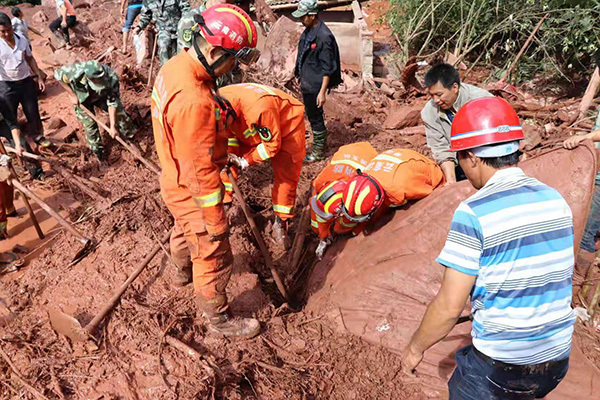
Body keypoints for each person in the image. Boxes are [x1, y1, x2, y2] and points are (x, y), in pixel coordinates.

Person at [402, 97, 575, 399]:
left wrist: (415, 348)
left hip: (503, 368)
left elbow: (448, 308)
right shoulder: (555, 199)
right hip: (557, 359)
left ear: (471, 157)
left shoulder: (474, 212)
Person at [151, 4, 261, 338]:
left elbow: (190, 139)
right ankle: (218, 318)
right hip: (192, 188)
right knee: (213, 252)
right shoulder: (194, 100)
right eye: (231, 60)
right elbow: (200, 174)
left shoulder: (175, 67)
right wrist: (215, 219)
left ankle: (180, 273)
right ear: (213, 51)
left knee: (183, 231)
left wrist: (220, 150)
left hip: (173, 175)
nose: (232, 69)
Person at [311, 146, 444, 258]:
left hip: (423, 170)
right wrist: (327, 233)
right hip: (393, 160)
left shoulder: (399, 189)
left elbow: (435, 192)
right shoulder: (360, 180)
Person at [218, 83, 306, 245]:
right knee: (226, 162)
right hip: (246, 127)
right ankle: (224, 204)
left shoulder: (260, 108)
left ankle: (281, 222)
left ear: (228, 113)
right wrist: (229, 155)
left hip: (287, 126)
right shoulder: (219, 101)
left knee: (286, 177)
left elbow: (272, 146)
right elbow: (227, 135)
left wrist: (245, 161)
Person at [421, 63, 493, 184]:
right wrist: (451, 181)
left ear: (455, 87)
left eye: (439, 95)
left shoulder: (482, 101)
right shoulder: (429, 112)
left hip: (490, 159)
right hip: (460, 162)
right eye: (431, 95)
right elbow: (441, 149)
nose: (436, 100)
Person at [54, 60, 135, 161]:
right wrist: (72, 94)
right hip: (81, 97)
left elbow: (112, 103)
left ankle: (131, 137)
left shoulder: (111, 78)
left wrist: (112, 126)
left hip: (102, 96)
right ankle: (98, 154)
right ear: (87, 78)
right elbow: (57, 75)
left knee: (119, 114)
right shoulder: (74, 71)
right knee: (90, 126)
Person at [293, 0, 341, 162]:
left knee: (315, 116)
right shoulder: (309, 31)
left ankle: (318, 152)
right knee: (312, 114)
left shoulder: (324, 36)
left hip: (315, 85)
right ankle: (321, 146)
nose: (301, 20)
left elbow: (328, 67)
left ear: (312, 16)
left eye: (303, 17)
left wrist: (322, 92)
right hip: (308, 80)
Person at [0, 13, 48, 156]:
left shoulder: (21, 40)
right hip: (6, 86)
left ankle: (38, 137)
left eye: (9, 30)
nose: (7, 33)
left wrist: (38, 77)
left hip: (26, 82)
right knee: (11, 117)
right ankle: (17, 144)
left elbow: (30, 58)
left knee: (32, 112)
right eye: (2, 31)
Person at [563, 113, 600, 289]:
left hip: (599, 179)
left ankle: (577, 282)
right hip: (593, 173)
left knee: (586, 231)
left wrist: (586, 137)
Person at [133, 0, 191, 65]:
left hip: (180, 28)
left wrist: (184, 24)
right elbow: (146, 15)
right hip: (163, 30)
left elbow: (185, 8)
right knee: (163, 46)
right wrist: (139, 26)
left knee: (183, 53)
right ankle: (166, 70)